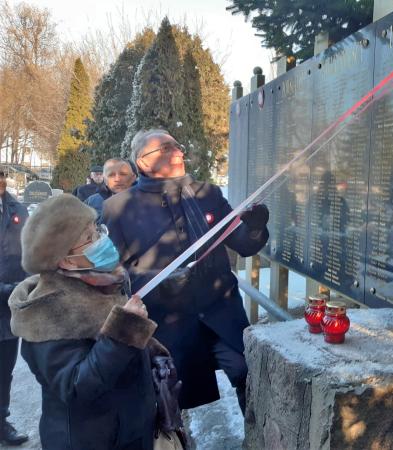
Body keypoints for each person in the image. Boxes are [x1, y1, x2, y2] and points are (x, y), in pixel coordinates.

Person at [102, 129, 269, 413]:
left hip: (221, 313)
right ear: (143, 162)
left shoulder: (208, 194)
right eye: (166, 149)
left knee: (246, 372)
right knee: (171, 398)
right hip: (169, 326)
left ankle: (255, 438)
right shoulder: (117, 208)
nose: (178, 152)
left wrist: (255, 227)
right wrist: (158, 280)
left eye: (177, 146)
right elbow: (112, 273)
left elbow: (243, 244)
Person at [9, 194, 168, 449]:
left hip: (129, 432)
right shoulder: (48, 308)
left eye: (98, 230)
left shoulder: (99, 282)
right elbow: (76, 386)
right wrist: (125, 328)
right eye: (89, 239)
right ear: (65, 260)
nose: (101, 241)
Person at [0, 171, 29, 446]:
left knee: (3, 370)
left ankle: (0, 422)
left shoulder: (18, 209)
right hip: (7, 294)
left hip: (9, 309)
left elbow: (30, 250)